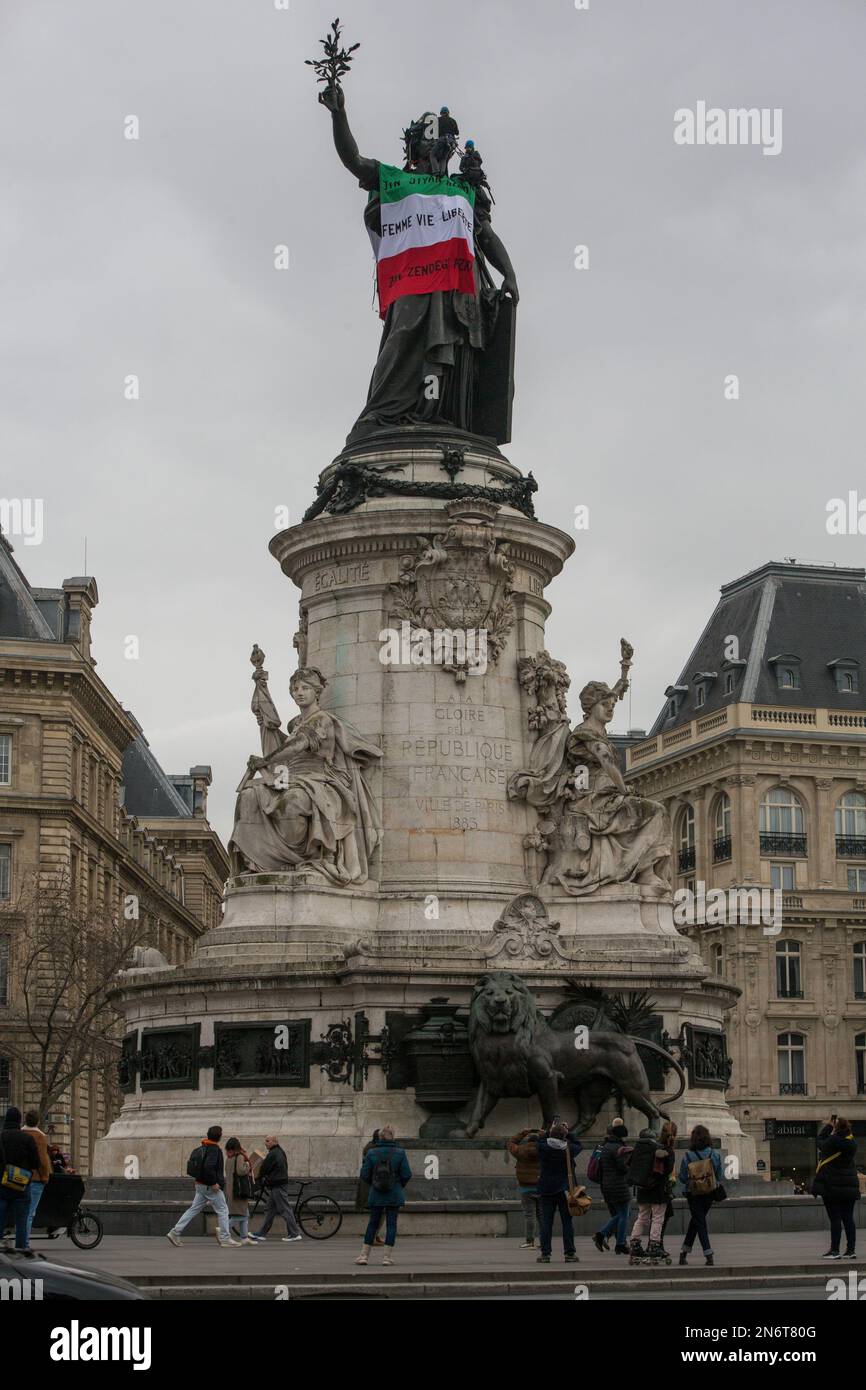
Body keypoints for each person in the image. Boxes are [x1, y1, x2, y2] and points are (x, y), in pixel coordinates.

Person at [167, 1125, 240, 1248]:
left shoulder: (203, 1147)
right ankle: (225, 1238)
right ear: (219, 1136)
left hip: (200, 1185)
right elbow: (208, 1167)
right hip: (210, 1186)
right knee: (223, 1210)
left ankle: (175, 1232)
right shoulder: (214, 1149)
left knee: (193, 1209)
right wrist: (213, 1183)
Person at [356, 1124, 411, 1265]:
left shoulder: (371, 1153)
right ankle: (386, 1258)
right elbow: (407, 1174)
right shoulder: (400, 1152)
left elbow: (364, 1174)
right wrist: (398, 1185)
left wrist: (374, 1183)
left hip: (376, 1193)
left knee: (372, 1223)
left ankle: (364, 1256)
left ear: (380, 1137)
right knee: (391, 1225)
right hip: (394, 1193)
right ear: (393, 1136)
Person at [534, 1121, 582, 1264]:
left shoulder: (543, 1147)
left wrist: (549, 1131)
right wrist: (569, 1133)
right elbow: (579, 1145)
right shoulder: (569, 1149)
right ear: (564, 1136)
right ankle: (569, 1253)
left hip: (546, 1190)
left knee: (546, 1223)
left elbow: (539, 1140)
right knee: (567, 1222)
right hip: (565, 1191)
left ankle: (545, 1254)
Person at [626, 1127, 675, 1263]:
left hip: (642, 1189)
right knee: (658, 1218)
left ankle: (634, 1245)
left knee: (641, 1218)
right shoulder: (659, 1149)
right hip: (658, 1190)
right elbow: (668, 1170)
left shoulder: (637, 1150)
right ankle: (654, 1245)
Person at [814, 1116, 858, 1259]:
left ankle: (834, 1251)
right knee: (848, 1218)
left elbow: (819, 1141)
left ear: (836, 1128)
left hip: (832, 1185)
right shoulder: (852, 1142)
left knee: (835, 1218)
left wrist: (827, 1126)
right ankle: (851, 1250)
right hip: (849, 1186)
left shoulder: (833, 1141)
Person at [678, 1124, 723, 1266]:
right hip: (709, 1192)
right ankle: (683, 1254)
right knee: (698, 1221)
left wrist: (692, 1180)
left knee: (698, 1222)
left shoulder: (688, 1155)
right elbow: (719, 1175)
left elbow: (683, 1177)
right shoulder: (714, 1154)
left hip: (693, 1193)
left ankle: (708, 1254)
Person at [0, 1106, 40, 1252]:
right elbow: (36, 1163)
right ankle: (21, 1254)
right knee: (21, 1223)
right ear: (19, 1121)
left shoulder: (1, 1136)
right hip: (21, 1186)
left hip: (2, 1187)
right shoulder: (27, 1138)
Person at [249, 1135, 301, 1243]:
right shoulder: (278, 1151)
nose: (265, 1143)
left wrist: (258, 1176)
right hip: (277, 1184)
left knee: (285, 1209)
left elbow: (264, 1169)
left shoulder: (273, 1154)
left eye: (267, 1141)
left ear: (274, 1142)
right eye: (265, 1141)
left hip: (278, 1185)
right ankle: (261, 1233)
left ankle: (294, 1233)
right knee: (270, 1210)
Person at [592, 1120, 632, 1253]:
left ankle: (612, 1239)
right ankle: (609, 1237)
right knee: (623, 1214)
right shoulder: (617, 1148)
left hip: (607, 1185)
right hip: (618, 1185)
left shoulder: (606, 1147)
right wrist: (629, 1166)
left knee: (622, 1214)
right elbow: (622, 1168)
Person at [507, 1127, 543, 1248]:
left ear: (528, 1141)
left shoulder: (520, 1151)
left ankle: (529, 1241)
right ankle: (544, 1241)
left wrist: (523, 1132)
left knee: (529, 1215)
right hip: (542, 1188)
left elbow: (511, 1143)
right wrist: (545, 1134)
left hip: (526, 1188)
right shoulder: (544, 1150)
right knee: (542, 1216)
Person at [20, 1111, 52, 1243]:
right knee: (29, 1212)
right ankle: (24, 1243)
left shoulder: (20, 1133)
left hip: (19, 1176)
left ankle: (20, 1240)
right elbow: (43, 1160)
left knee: (20, 1211)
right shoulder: (40, 1136)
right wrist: (45, 1177)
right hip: (35, 1178)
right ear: (38, 1121)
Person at [224, 1138, 257, 1246]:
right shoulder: (240, 1156)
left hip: (231, 1190)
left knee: (245, 1214)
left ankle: (244, 1237)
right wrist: (248, 1164)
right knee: (240, 1215)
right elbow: (241, 1171)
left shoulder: (229, 1158)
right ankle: (223, 1230)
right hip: (239, 1191)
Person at [658, 1120, 678, 1257]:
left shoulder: (656, 1146)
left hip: (650, 1187)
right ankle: (657, 1245)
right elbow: (669, 1170)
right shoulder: (669, 1150)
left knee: (654, 1218)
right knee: (662, 1218)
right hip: (662, 1189)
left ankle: (655, 1244)